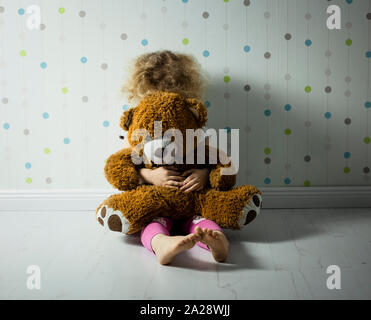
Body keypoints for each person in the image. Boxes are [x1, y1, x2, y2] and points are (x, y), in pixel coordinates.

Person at [122, 50, 229, 265]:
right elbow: (128, 168)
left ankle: (218, 243)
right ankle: (162, 244)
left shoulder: (192, 132)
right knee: (152, 224)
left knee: (202, 223)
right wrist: (150, 175)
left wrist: (203, 174)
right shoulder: (141, 133)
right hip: (158, 203)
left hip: (192, 200)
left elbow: (214, 162)